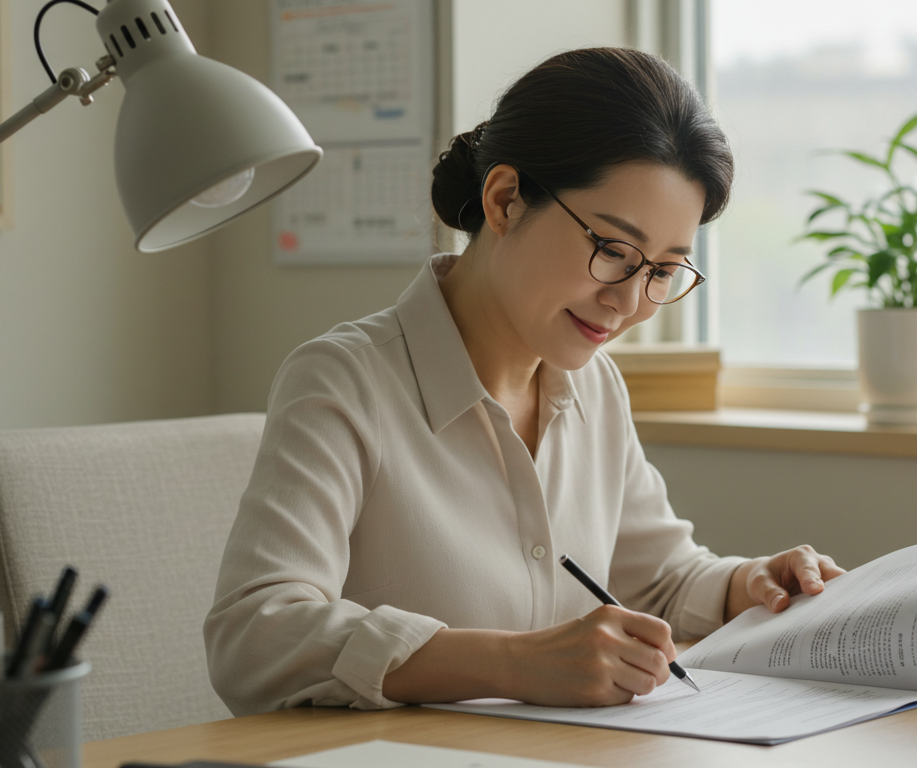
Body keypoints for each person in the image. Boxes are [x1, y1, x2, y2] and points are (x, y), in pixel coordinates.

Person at [204, 47, 845, 717]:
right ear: (506, 200)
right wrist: (517, 661)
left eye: (661, 271)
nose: (628, 303)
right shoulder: (345, 381)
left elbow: (656, 580)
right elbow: (254, 637)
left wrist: (750, 584)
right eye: (613, 252)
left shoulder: (594, 387)